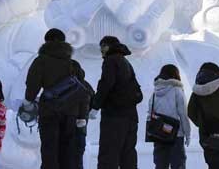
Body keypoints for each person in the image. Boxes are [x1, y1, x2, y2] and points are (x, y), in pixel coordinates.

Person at [23, 28, 85, 169]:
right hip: (71, 113)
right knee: (67, 150)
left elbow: (32, 84)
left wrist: (28, 102)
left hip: (49, 111)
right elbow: (82, 91)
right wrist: (81, 116)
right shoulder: (73, 64)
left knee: (49, 148)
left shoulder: (41, 61)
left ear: (46, 42)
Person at [91, 36, 143, 169]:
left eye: (103, 46)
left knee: (109, 154)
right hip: (131, 116)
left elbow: (106, 84)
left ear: (110, 46)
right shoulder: (125, 62)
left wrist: (95, 106)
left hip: (114, 116)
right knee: (128, 154)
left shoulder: (111, 60)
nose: (101, 49)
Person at [148, 64, 191, 169]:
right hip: (176, 135)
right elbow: (183, 114)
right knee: (178, 164)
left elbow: (150, 113)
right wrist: (187, 134)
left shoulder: (155, 92)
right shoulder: (178, 91)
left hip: (159, 134)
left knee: (160, 165)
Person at [75, 76, 95, 169]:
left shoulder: (60, 83)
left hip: (63, 127)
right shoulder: (85, 85)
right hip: (81, 127)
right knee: (78, 154)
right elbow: (93, 100)